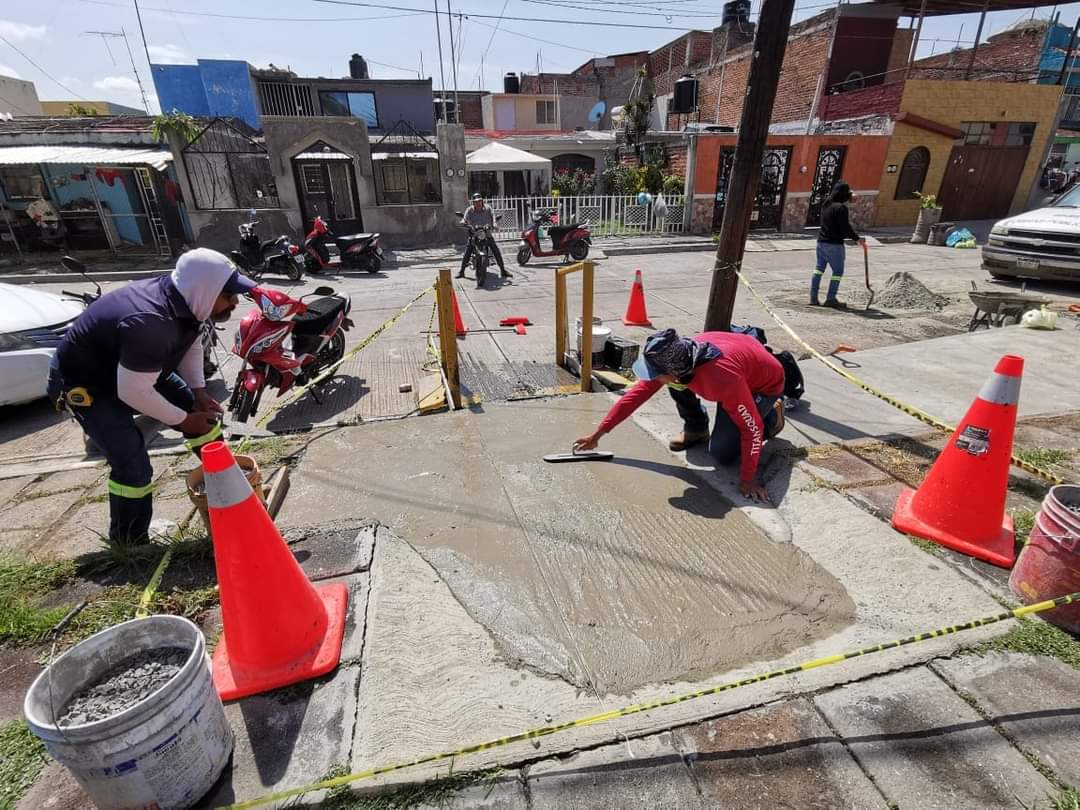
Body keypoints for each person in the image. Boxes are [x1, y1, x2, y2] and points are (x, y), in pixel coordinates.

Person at [47, 248, 256, 545]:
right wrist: (184, 419)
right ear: (206, 290)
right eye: (230, 294)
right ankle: (129, 544)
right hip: (90, 385)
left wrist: (197, 392)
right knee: (132, 465)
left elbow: (192, 345)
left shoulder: (189, 301)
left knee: (206, 422)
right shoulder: (150, 320)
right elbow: (132, 391)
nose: (235, 301)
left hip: (138, 372)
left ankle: (233, 497)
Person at [574, 329, 786, 503]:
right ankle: (697, 429)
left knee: (723, 453)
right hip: (739, 364)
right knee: (675, 386)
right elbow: (633, 398)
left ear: (676, 370)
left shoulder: (722, 379)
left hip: (763, 385)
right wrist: (597, 435)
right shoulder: (679, 357)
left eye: (656, 373)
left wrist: (748, 480)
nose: (652, 378)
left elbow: (751, 428)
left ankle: (772, 415)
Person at [812, 180, 865, 309]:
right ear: (844, 194)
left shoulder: (826, 204)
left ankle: (813, 297)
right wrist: (857, 239)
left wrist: (849, 196)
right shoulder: (841, 208)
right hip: (834, 245)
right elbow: (845, 227)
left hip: (821, 243)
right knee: (837, 272)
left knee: (819, 270)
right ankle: (830, 298)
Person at [458, 193, 509, 280]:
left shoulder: (488, 208)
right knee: (468, 251)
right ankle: (461, 271)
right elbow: (465, 218)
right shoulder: (469, 210)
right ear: (473, 203)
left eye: (480, 201)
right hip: (474, 233)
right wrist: (463, 222)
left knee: (495, 250)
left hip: (486, 233)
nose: (478, 203)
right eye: (476, 202)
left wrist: (494, 223)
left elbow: (493, 217)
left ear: (482, 201)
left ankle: (503, 270)